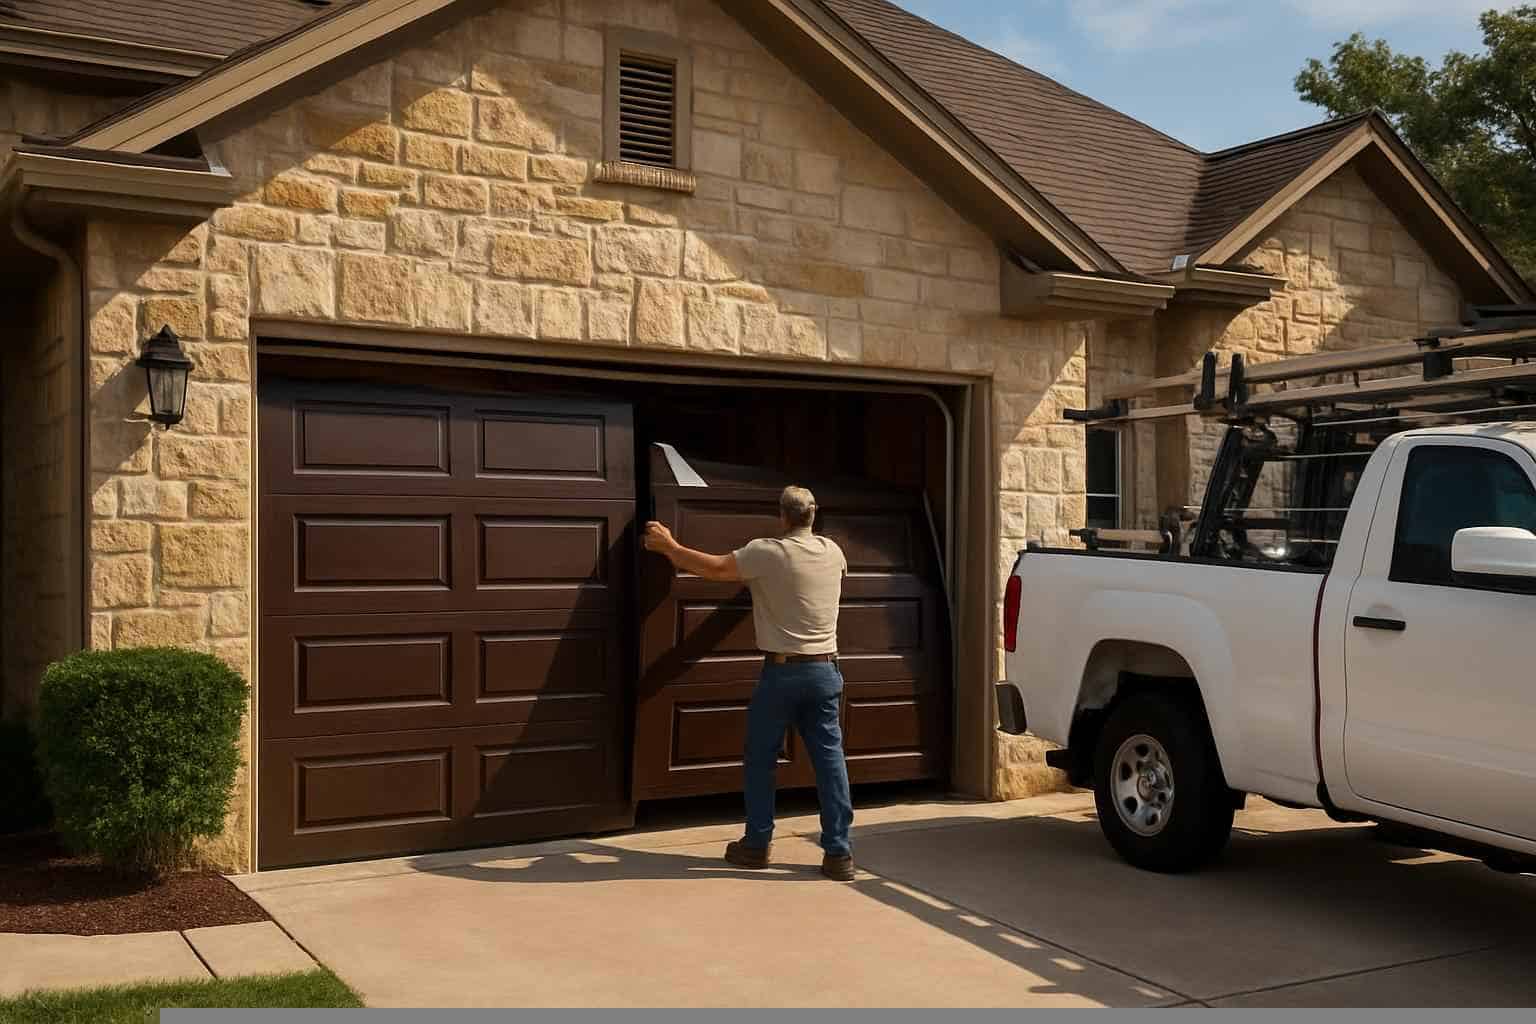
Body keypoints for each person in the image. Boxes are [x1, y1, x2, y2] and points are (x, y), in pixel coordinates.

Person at [643, 485, 855, 881]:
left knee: (761, 759)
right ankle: (839, 855)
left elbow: (715, 569)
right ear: (814, 514)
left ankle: (757, 846)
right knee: (830, 762)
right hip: (826, 670)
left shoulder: (767, 552)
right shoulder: (833, 551)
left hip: (782, 673)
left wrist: (669, 546)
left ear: (782, 516)